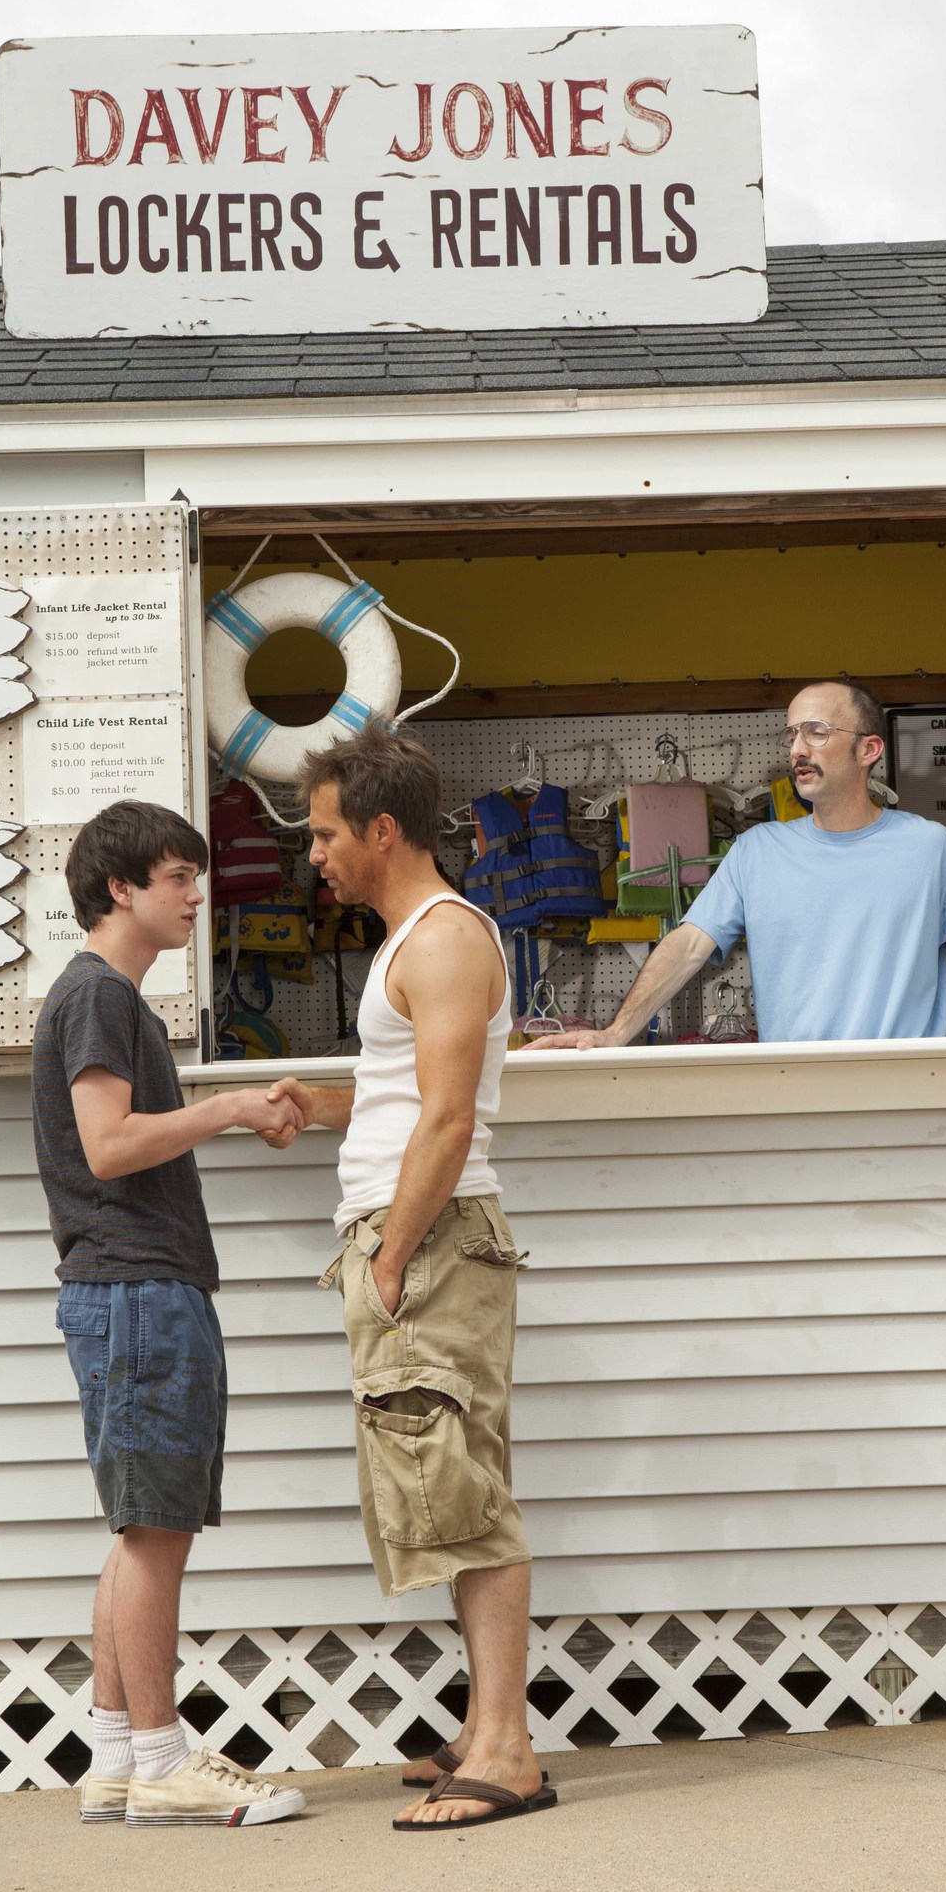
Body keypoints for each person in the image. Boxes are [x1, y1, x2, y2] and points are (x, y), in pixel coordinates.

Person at [258, 723, 556, 1833]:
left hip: (426, 1236)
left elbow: (446, 1117)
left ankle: (510, 1747)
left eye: (327, 833)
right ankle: (487, 1730)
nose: (315, 854)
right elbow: (409, 1094)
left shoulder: (438, 940)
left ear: (383, 828)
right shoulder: (415, 941)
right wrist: (320, 1102)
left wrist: (389, 1256)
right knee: (450, 1475)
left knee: (459, 1484)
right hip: (415, 1226)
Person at [32, 799, 307, 1828]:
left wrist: (230, 1113)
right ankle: (162, 1761)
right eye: (179, 876)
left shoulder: (107, 999)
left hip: (126, 1287)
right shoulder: (101, 996)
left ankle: (114, 1754)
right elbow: (108, 1145)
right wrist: (230, 1107)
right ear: (121, 888)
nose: (199, 893)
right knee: (156, 1530)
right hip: (136, 1288)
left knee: (135, 1526)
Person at [537, 681, 946, 1048]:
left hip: (915, 1094)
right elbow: (686, 946)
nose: (797, 748)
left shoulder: (930, 848)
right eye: (792, 734)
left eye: (817, 731)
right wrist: (616, 1033)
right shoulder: (757, 851)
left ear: (868, 748)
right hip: (797, 1093)